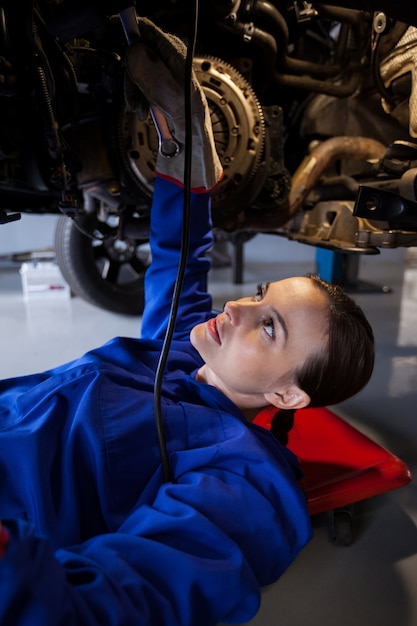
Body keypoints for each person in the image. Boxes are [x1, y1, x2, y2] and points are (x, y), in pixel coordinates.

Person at [0, 18, 374, 626]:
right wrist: (187, 156)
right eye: (259, 293)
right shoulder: (185, 357)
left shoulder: (248, 479)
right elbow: (181, 264)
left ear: (286, 393)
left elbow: (140, 594)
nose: (239, 307)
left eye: (270, 326)